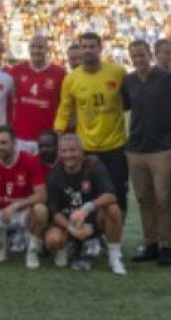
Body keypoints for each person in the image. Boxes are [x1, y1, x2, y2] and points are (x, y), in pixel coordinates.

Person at [54, 32, 129, 238]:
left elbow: (131, 99)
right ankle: (92, 238)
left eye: (91, 46)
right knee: (85, 194)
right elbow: (64, 109)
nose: (87, 50)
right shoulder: (72, 79)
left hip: (114, 146)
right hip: (85, 148)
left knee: (117, 196)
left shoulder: (117, 72)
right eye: (84, 46)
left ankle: (114, 238)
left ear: (100, 48)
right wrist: (59, 135)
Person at [123, 40, 171, 266]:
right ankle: (150, 243)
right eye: (133, 56)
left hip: (162, 148)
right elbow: (124, 106)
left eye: (141, 55)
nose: (138, 59)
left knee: (164, 199)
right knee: (144, 199)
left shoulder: (166, 78)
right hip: (135, 148)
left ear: (150, 55)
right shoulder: (128, 81)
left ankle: (166, 245)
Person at [44, 133, 127, 275]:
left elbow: (111, 195)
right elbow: (55, 211)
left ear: (82, 152)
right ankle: (70, 247)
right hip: (67, 222)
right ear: (59, 154)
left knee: (113, 209)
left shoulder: (94, 166)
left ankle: (114, 257)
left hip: (91, 221)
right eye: (64, 151)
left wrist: (86, 209)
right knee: (53, 240)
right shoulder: (55, 175)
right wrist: (71, 228)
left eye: (73, 150)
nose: (69, 155)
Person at [0, 125, 48, 269]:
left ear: (14, 143)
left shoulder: (29, 161)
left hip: (24, 210)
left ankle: (32, 251)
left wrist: (15, 205)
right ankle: (1, 245)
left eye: (4, 143)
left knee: (41, 210)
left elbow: (42, 195)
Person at [6, 33, 66, 155]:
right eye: (33, 47)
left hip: (48, 137)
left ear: (47, 49)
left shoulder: (60, 73)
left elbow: (64, 105)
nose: (36, 51)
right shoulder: (16, 71)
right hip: (21, 136)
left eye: (40, 47)